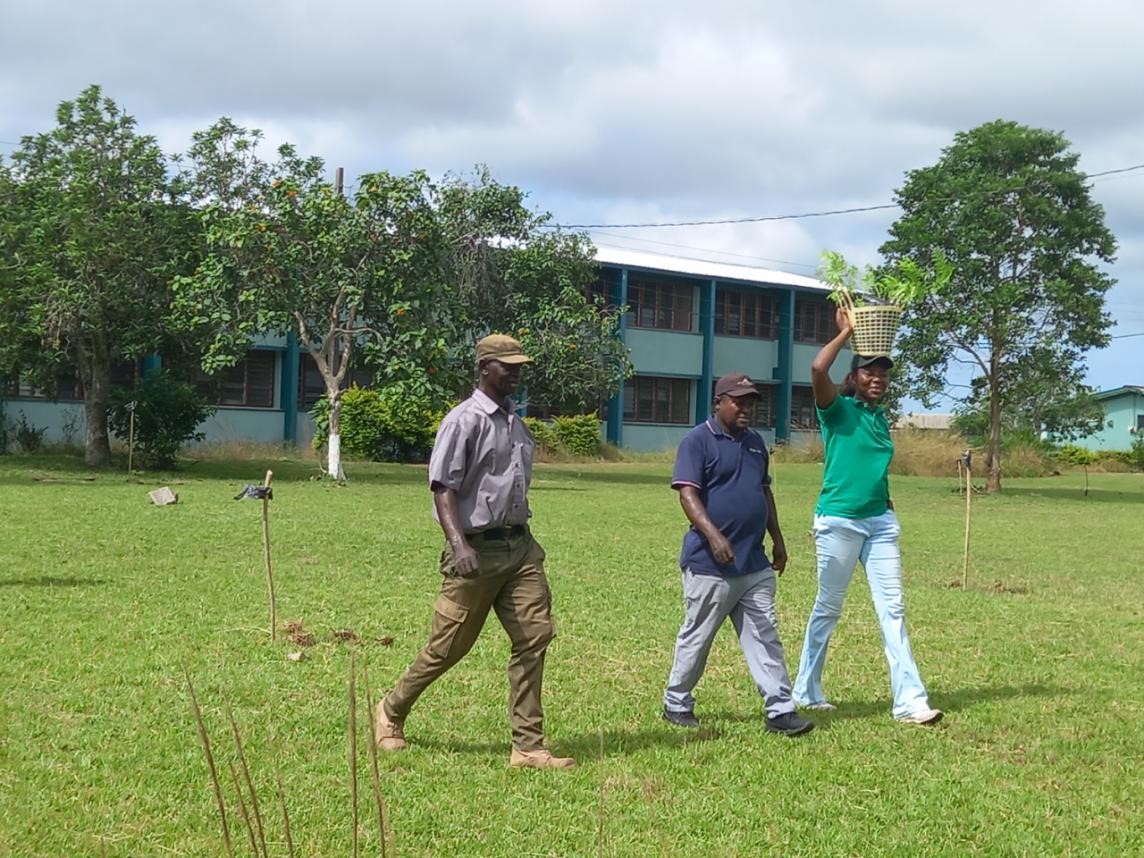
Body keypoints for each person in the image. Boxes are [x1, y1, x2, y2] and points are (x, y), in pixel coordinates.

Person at [375, 334, 575, 768]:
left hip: (520, 549)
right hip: (475, 552)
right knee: (448, 647)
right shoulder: (463, 421)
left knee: (534, 638)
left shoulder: (516, 424)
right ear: (485, 368)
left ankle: (527, 745)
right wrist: (458, 543)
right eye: (509, 366)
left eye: (520, 366)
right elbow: (442, 486)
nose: (517, 373)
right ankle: (390, 711)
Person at [792, 307, 943, 726]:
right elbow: (817, 367)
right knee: (828, 606)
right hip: (838, 522)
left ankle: (909, 702)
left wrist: (886, 500)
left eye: (883, 373)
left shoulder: (879, 419)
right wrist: (847, 333)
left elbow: (871, 467)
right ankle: (806, 687)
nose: (877, 378)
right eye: (869, 371)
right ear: (855, 376)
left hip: (879, 524)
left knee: (892, 609)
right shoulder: (836, 410)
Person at [662, 372, 814, 737]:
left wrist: (777, 538)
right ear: (719, 402)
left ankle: (780, 710)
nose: (747, 408)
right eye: (739, 401)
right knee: (698, 636)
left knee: (766, 635)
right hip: (709, 564)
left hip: (753, 562)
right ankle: (676, 703)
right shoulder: (697, 441)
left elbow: (764, 492)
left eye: (751, 402)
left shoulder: (756, 443)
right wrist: (713, 536)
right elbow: (687, 494)